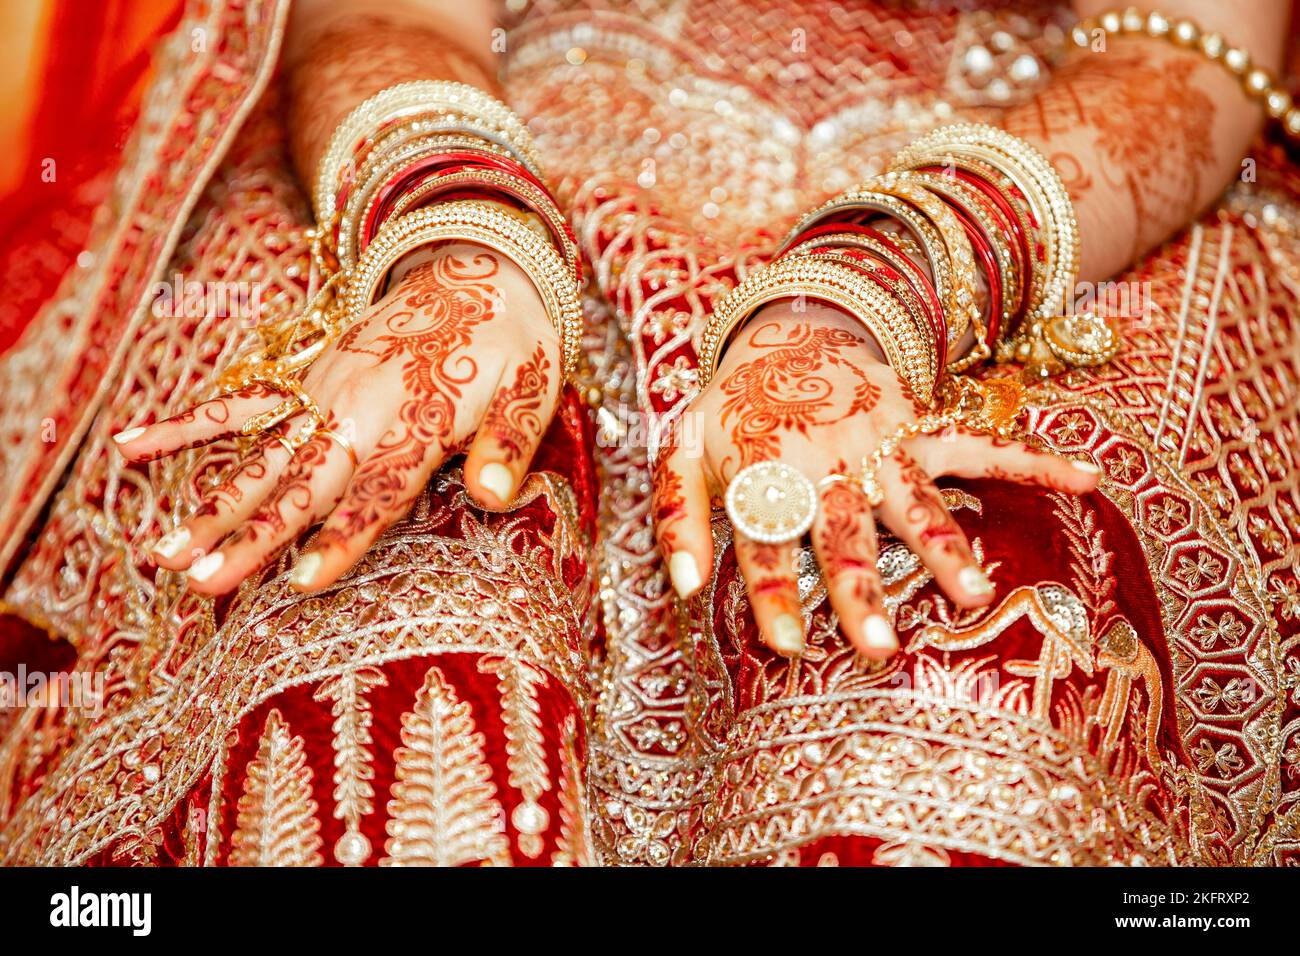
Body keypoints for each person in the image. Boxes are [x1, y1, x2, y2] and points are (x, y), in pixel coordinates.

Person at [0, 0, 1295, 867]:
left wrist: (870, 295)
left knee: (972, 585)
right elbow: (387, 13)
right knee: (412, 506)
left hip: (1046, 173)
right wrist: (457, 239)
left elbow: (1182, 54)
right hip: (504, 109)